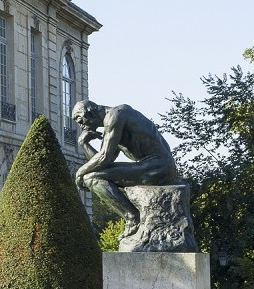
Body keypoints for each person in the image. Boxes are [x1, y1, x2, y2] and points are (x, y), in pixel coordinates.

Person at [71, 100, 179, 237]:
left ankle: (132, 217)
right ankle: (132, 217)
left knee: (90, 177)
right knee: (92, 176)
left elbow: (105, 157)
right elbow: (102, 163)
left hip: (159, 166)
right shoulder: (109, 125)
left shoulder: (116, 115)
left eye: (80, 121)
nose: (82, 126)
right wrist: (83, 143)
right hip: (150, 166)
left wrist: (79, 173)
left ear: (89, 113)